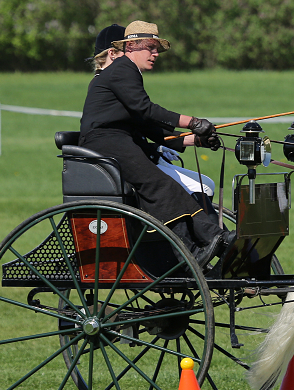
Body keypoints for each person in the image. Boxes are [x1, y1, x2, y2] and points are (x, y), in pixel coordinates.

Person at [79, 21, 233, 268]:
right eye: (150, 47)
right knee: (160, 186)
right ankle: (194, 250)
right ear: (130, 46)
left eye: (157, 49)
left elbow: (150, 127)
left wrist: (198, 139)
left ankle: (212, 238)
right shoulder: (122, 69)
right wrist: (192, 122)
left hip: (117, 140)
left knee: (166, 186)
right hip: (106, 142)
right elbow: (146, 109)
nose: (156, 54)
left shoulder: (125, 72)